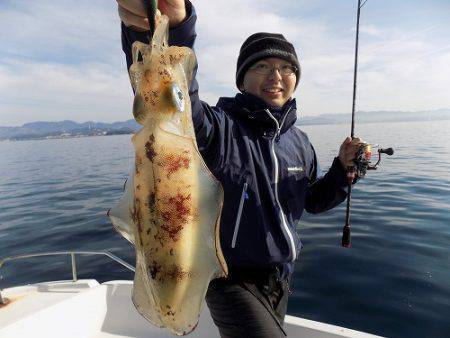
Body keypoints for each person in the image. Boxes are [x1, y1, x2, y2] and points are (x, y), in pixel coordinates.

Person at [117, 0, 363, 337]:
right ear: (242, 78)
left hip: (280, 276)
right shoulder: (218, 130)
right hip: (226, 277)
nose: (276, 76)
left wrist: (342, 172)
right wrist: (173, 30)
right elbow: (174, 97)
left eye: (286, 68)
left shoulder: (300, 143)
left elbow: (310, 201)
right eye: (262, 65)